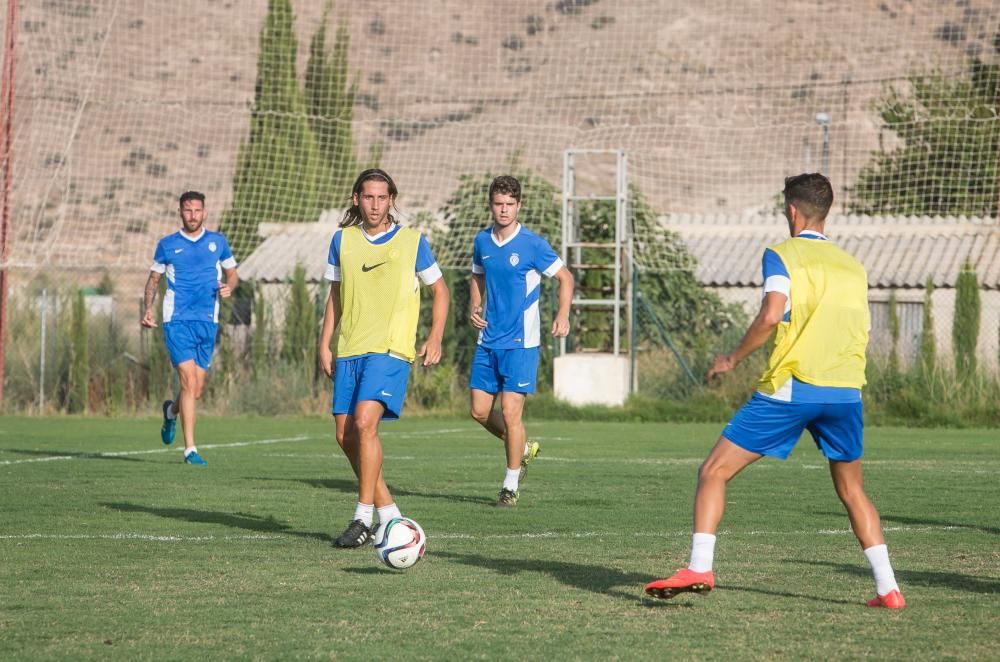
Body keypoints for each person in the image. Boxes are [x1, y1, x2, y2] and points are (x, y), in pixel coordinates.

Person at [643, 173, 905, 609]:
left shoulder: (781, 254)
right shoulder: (853, 266)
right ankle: (888, 589)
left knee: (714, 471)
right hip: (845, 392)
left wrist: (731, 359)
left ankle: (700, 565)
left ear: (792, 211)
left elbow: (770, 316)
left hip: (794, 387)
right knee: (853, 491)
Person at [318, 168, 449, 548]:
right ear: (356, 199)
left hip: (390, 349)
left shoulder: (411, 241)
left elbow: (440, 291)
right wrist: (325, 343)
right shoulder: (342, 240)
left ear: (392, 199)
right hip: (350, 348)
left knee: (364, 423)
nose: (375, 205)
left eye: (382, 197)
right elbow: (335, 297)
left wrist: (435, 335)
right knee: (344, 436)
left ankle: (362, 518)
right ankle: (390, 515)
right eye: (368, 197)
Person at [468, 175, 574, 507]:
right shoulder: (482, 242)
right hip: (488, 340)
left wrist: (562, 314)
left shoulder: (533, 244)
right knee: (479, 411)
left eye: (509, 204)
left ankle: (510, 485)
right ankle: (524, 448)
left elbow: (565, 277)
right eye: (498, 204)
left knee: (511, 413)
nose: (503, 210)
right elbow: (477, 275)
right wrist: (475, 304)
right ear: (491, 205)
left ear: (519, 206)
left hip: (521, 343)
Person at [141, 191, 238, 466]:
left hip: (207, 321)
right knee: (188, 382)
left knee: (194, 391)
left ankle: (171, 412)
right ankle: (190, 450)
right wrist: (148, 309)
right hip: (177, 320)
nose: (193, 215)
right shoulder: (167, 245)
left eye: (197, 210)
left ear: (204, 212)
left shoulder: (218, 242)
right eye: (187, 210)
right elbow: (153, 280)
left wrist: (229, 286)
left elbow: (232, 273)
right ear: (180, 212)